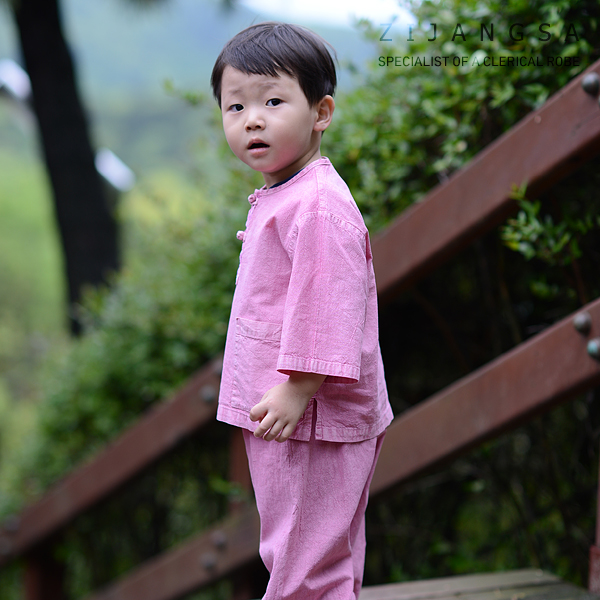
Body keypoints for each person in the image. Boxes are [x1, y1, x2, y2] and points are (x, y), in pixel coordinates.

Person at [211, 22, 394, 599]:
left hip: (308, 415)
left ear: (321, 112)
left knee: (304, 559)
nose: (252, 119)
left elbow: (328, 305)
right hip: (290, 412)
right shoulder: (286, 191)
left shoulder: (316, 205)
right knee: (308, 550)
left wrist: (297, 386)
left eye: (272, 100)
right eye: (235, 105)